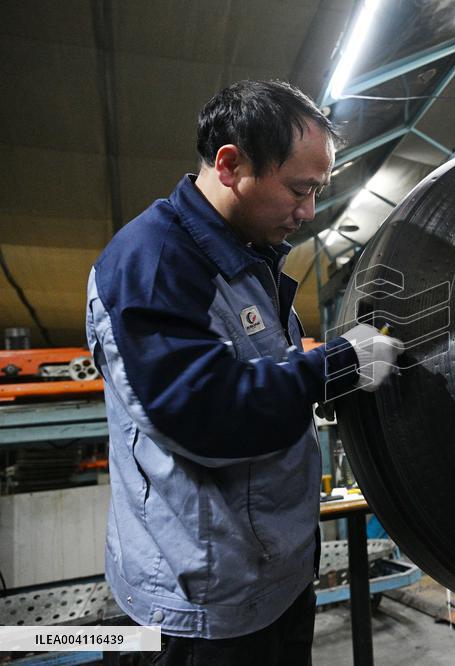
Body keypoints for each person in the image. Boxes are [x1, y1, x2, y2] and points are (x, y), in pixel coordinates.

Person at [85, 79, 401, 664]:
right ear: (230, 165)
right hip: (200, 611)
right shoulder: (153, 263)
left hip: (272, 579)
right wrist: (339, 364)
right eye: (300, 190)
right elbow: (207, 414)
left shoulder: (248, 255)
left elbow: (268, 374)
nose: (308, 212)